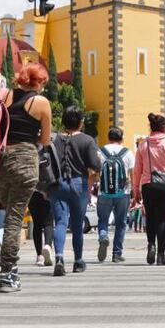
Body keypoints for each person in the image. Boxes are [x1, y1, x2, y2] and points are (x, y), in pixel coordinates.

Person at [0, 62, 52, 292]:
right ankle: (7, 273)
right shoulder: (41, 102)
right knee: (14, 220)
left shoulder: (1, 95)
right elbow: (45, 140)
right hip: (24, 162)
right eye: (43, 83)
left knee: (10, 217)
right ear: (38, 82)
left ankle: (5, 254)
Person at [49, 107, 101, 276]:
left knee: (60, 222)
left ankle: (59, 257)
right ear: (80, 122)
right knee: (77, 225)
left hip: (57, 185)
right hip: (79, 184)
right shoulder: (87, 140)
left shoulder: (54, 140)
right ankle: (78, 261)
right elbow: (96, 164)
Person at [131, 113, 165, 266]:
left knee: (150, 219)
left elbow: (137, 170)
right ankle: (161, 255)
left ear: (151, 127)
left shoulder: (143, 144)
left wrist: (136, 190)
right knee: (162, 220)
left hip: (149, 186)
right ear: (163, 127)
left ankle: (151, 245)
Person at [96, 126, 135, 263]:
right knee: (121, 223)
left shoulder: (100, 152)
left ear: (108, 138)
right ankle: (117, 254)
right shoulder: (128, 153)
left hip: (104, 193)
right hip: (122, 193)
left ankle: (102, 235)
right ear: (122, 138)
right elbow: (132, 175)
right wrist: (135, 192)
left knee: (102, 220)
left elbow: (95, 173)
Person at [27, 189, 54, 266]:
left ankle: (39, 256)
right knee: (48, 224)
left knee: (36, 225)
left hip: (32, 194)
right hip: (46, 192)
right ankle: (47, 246)